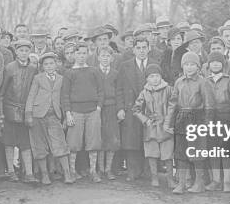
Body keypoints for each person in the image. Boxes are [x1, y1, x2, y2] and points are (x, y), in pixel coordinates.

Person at [164, 51, 214, 194]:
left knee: (197, 152)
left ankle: (199, 183)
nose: (189, 67)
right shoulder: (179, 82)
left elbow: (209, 105)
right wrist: (168, 123)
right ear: (182, 66)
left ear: (198, 67)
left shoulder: (203, 82)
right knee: (180, 153)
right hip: (181, 119)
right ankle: (181, 183)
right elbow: (173, 103)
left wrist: (208, 123)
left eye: (192, 64)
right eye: (186, 65)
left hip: (197, 120)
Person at [25, 52, 74, 185]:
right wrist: (29, 114)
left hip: (54, 116)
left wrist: (64, 116)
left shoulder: (61, 79)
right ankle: (44, 175)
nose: (49, 66)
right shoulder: (38, 78)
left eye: (51, 63)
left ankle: (67, 174)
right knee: (39, 146)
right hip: (38, 115)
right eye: (46, 64)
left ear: (56, 64)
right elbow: (31, 96)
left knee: (60, 144)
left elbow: (64, 99)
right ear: (42, 66)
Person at [61, 42, 104, 182]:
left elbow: (101, 90)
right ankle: (72, 171)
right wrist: (68, 113)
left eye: (84, 53)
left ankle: (93, 170)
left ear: (88, 54)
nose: (81, 56)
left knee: (94, 141)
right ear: (74, 54)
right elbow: (65, 95)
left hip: (92, 111)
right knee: (73, 142)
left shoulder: (94, 71)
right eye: (78, 53)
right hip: (76, 111)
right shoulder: (69, 73)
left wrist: (98, 108)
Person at [117, 37, 158, 181]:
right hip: (130, 108)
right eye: (138, 48)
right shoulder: (125, 66)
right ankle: (132, 171)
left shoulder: (155, 64)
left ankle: (148, 171)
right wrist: (120, 108)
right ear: (133, 49)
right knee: (131, 139)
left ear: (149, 48)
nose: (141, 51)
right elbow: (120, 89)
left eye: (144, 47)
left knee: (148, 138)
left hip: (149, 109)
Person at [0, 38, 38, 183]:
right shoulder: (9, 68)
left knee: (25, 142)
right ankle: (10, 171)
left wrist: (31, 111)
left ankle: (29, 173)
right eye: (21, 50)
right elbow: (2, 93)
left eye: (26, 50)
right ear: (16, 52)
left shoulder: (33, 69)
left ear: (30, 52)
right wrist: (2, 112)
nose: (23, 53)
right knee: (9, 142)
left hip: (26, 111)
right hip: (10, 110)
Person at [133, 63, 175, 189]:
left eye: (157, 76)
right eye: (151, 76)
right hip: (151, 128)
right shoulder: (144, 92)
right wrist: (145, 120)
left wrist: (168, 120)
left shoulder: (169, 89)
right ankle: (154, 177)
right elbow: (136, 109)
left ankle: (170, 179)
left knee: (167, 154)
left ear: (161, 77)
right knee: (152, 153)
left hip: (165, 127)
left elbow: (173, 106)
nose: (155, 79)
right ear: (147, 79)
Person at [205, 51, 230, 192]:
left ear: (223, 64)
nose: (216, 64)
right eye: (213, 62)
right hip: (210, 120)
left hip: (227, 119)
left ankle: (227, 182)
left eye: (218, 61)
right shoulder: (205, 81)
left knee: (226, 151)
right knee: (213, 150)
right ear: (209, 64)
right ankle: (216, 180)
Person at [93, 46, 121, 179]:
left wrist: (120, 109)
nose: (105, 58)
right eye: (103, 56)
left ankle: (108, 169)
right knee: (99, 138)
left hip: (111, 108)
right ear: (98, 57)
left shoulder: (116, 73)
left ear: (112, 58)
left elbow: (120, 92)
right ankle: (100, 168)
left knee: (111, 139)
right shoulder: (94, 72)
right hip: (98, 109)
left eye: (108, 56)